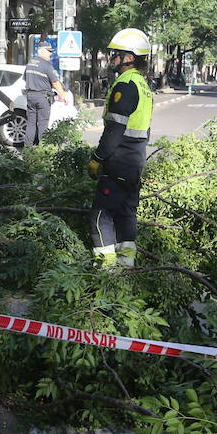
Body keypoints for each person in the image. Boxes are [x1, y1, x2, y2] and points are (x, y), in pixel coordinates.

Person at [87, 28, 154, 267]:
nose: (111, 57)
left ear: (130, 57)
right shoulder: (143, 85)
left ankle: (106, 270)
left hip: (118, 161)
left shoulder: (125, 85)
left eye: (116, 53)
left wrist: (97, 158)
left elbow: (114, 129)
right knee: (126, 212)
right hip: (135, 161)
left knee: (101, 215)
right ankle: (127, 267)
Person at [22, 43, 69, 147]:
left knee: (31, 124)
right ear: (42, 51)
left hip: (30, 96)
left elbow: (25, 78)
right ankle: (42, 150)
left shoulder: (30, 63)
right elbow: (55, 83)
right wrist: (64, 95)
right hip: (42, 97)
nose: (50, 54)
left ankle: (27, 150)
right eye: (49, 52)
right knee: (43, 124)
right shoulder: (46, 65)